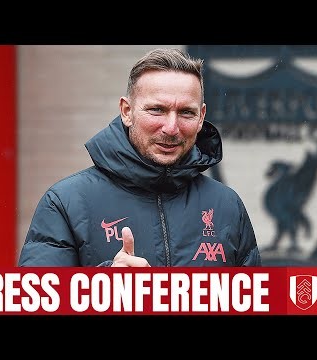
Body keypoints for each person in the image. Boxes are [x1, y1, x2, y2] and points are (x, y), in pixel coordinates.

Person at [18, 48, 261, 267]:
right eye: (157, 110)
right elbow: (38, 301)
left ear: (201, 117)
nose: (171, 127)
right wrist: (104, 289)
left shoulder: (226, 206)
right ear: (127, 111)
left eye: (186, 112)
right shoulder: (67, 203)